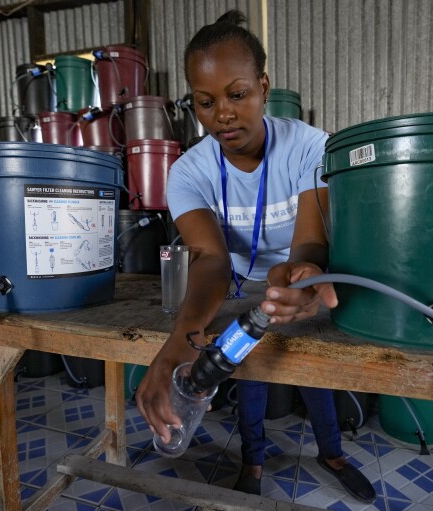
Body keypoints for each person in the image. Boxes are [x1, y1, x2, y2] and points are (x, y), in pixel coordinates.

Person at [135, 10, 376, 504]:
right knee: (245, 373)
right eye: (205, 102)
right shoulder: (187, 173)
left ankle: (332, 453)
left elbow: (310, 243)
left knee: (315, 378)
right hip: (238, 291)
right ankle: (253, 459)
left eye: (237, 94)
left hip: (301, 285)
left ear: (264, 86)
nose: (222, 113)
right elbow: (210, 259)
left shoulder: (311, 148)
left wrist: (305, 272)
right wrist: (175, 349)